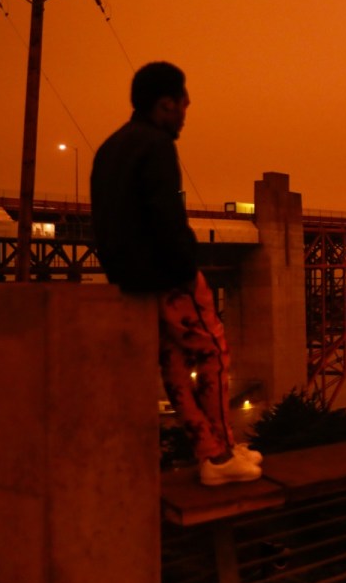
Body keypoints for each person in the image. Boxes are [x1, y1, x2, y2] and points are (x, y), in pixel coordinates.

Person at [91, 61, 263, 486]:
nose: (187, 109)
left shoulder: (110, 147)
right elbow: (166, 215)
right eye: (183, 101)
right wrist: (187, 270)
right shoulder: (157, 145)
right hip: (169, 277)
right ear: (165, 104)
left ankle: (210, 453)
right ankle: (221, 455)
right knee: (213, 356)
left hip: (131, 281)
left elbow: (104, 220)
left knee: (172, 365)